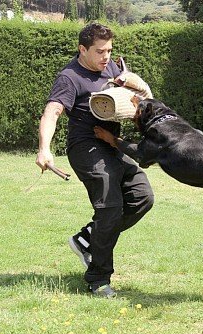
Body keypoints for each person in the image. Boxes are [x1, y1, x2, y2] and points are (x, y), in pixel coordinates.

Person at [35, 23, 154, 299]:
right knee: (110, 209)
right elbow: (52, 111)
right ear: (82, 49)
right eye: (100, 51)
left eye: (110, 51)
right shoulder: (70, 77)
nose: (106, 57)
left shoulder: (111, 67)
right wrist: (44, 149)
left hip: (111, 145)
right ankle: (98, 280)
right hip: (86, 149)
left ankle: (87, 239)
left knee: (142, 196)